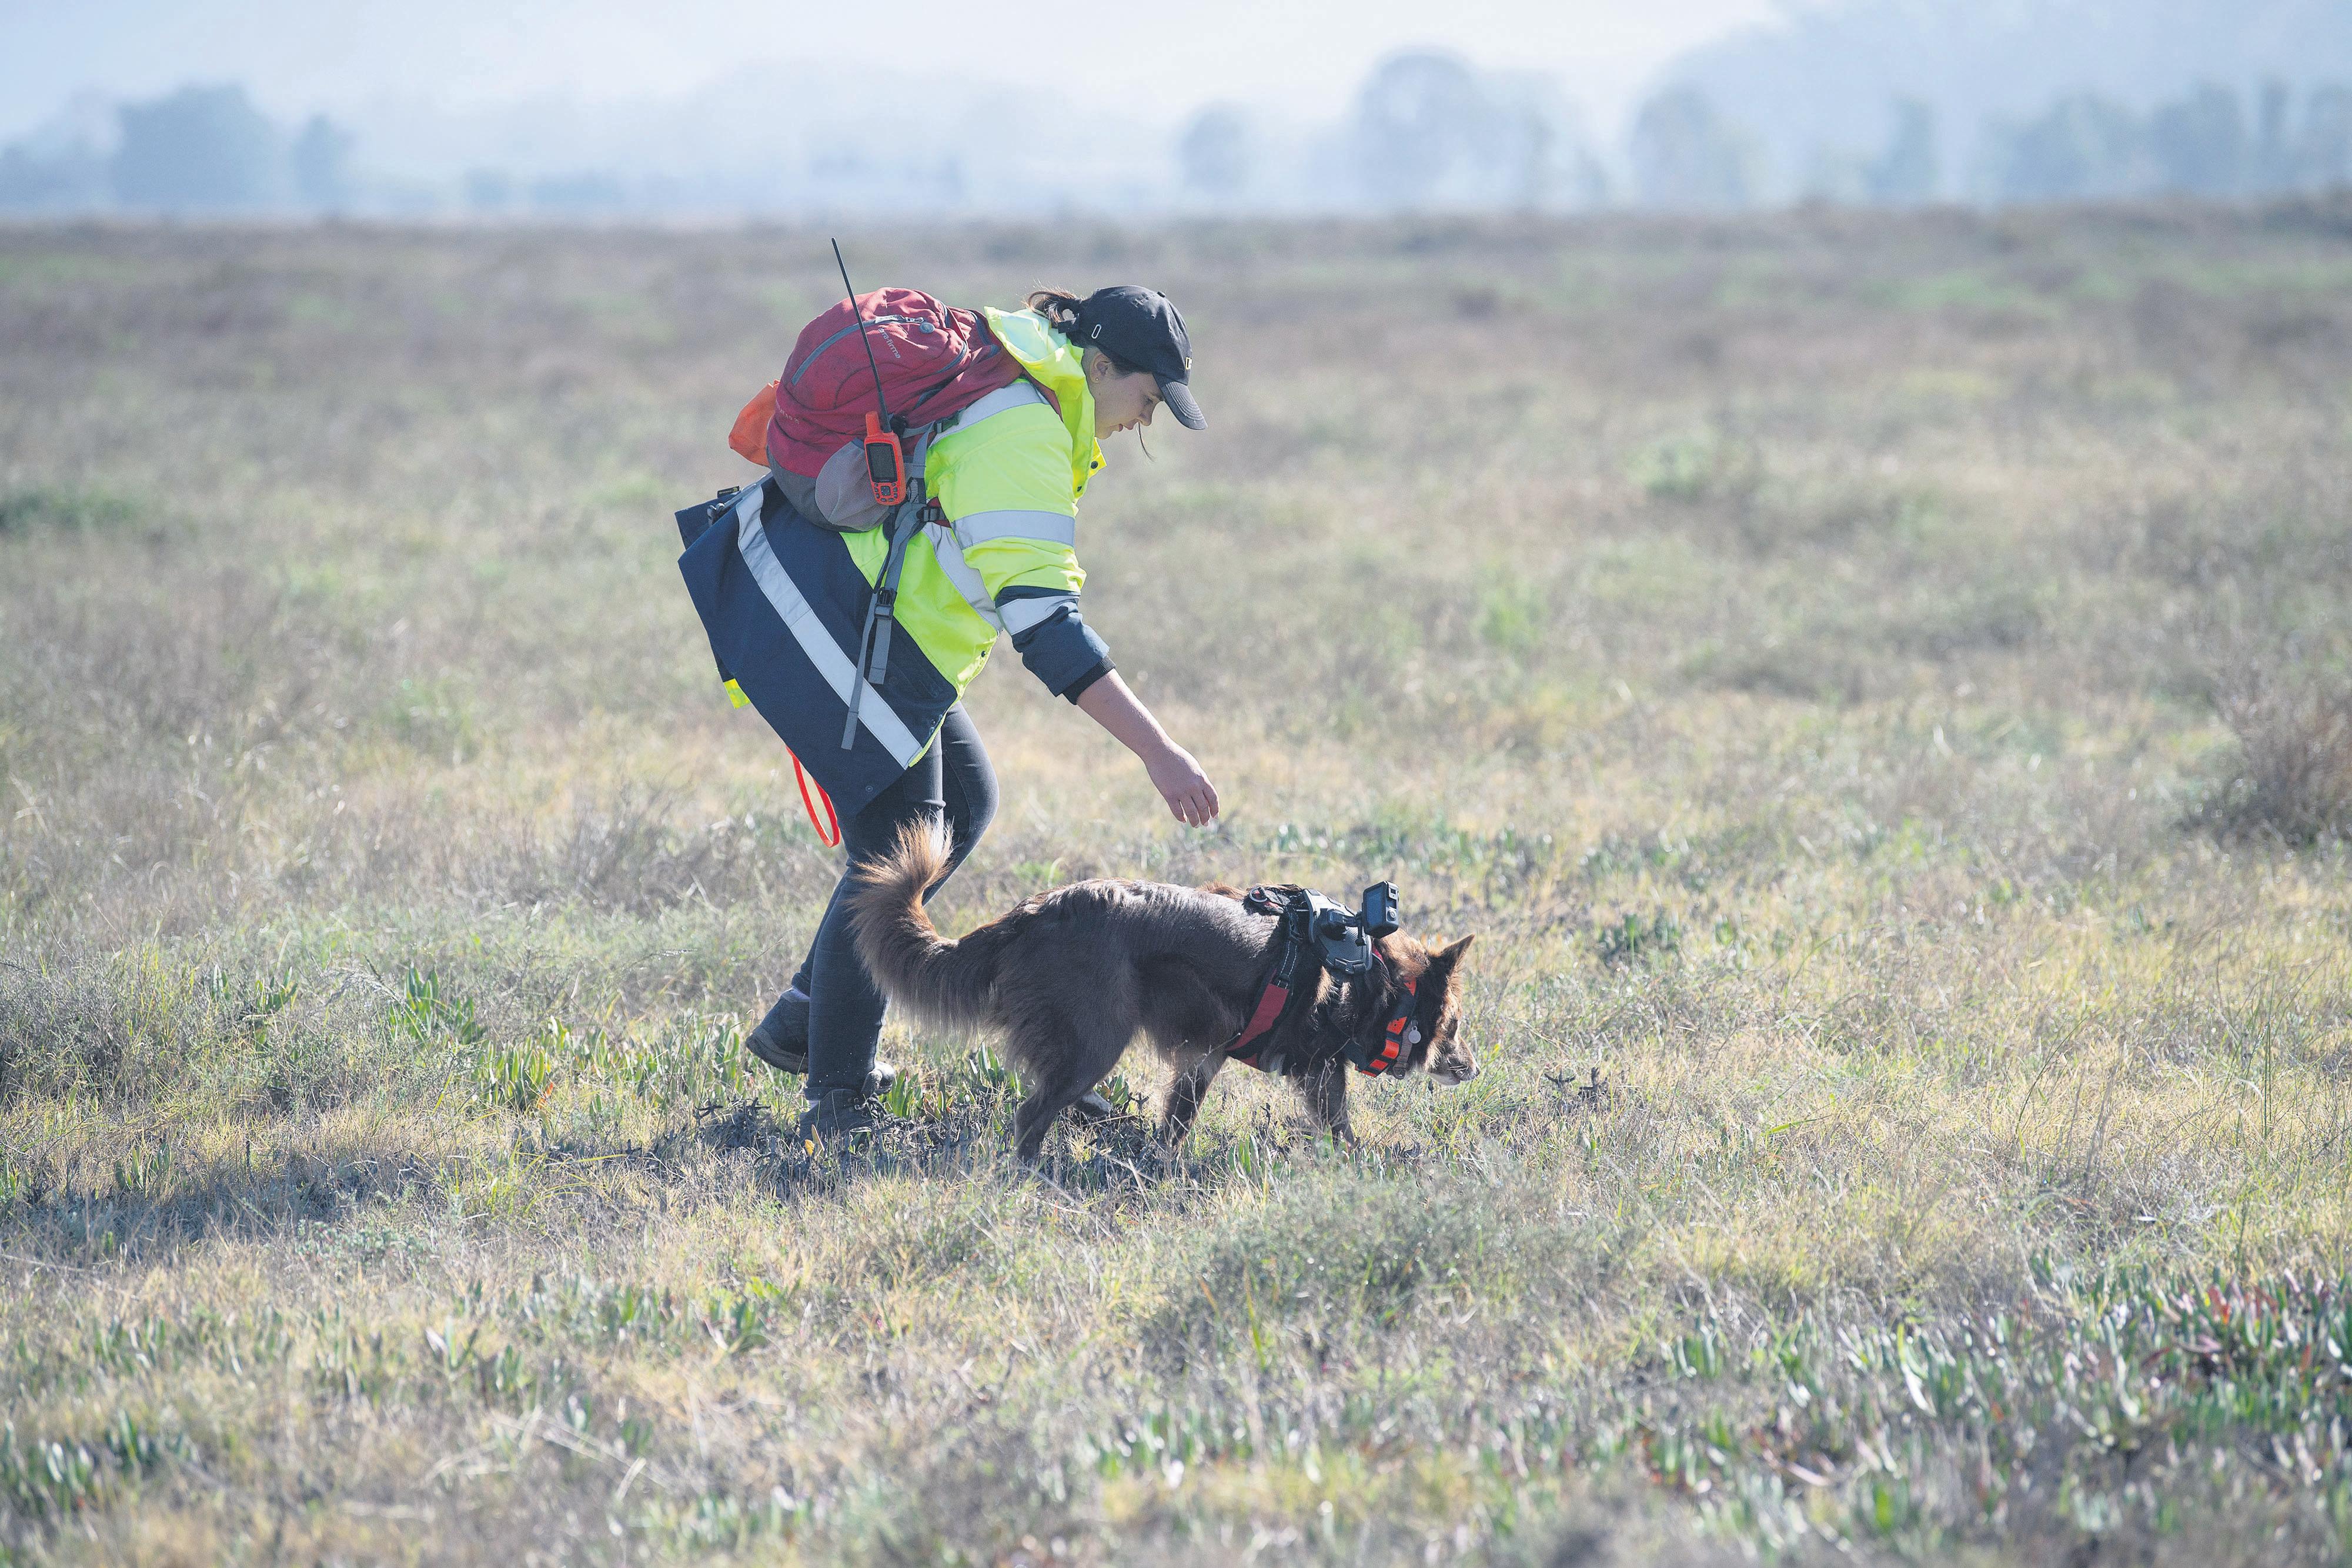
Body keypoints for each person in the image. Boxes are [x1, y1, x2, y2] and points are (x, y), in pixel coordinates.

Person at [734, 285, 1221, 1140]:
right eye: (1147, 400)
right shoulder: (1024, 429)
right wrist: (1161, 752)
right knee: (897, 850)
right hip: (858, 638)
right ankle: (836, 1099)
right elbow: (1046, 628)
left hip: (876, 629)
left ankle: (802, 1023)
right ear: (1100, 366)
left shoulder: (1024, 383)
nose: (1144, 423)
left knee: (963, 805)